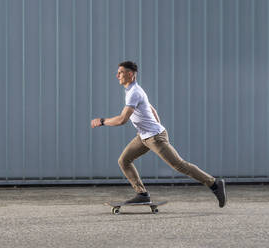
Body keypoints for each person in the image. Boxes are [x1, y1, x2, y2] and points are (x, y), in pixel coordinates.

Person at [91, 61, 227, 207]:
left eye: (121, 72)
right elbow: (152, 109)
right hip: (144, 136)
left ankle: (214, 184)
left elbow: (122, 119)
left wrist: (103, 121)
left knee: (179, 165)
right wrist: (154, 127)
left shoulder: (134, 93)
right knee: (124, 161)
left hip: (154, 138)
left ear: (130, 74)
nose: (117, 75)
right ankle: (142, 194)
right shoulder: (133, 90)